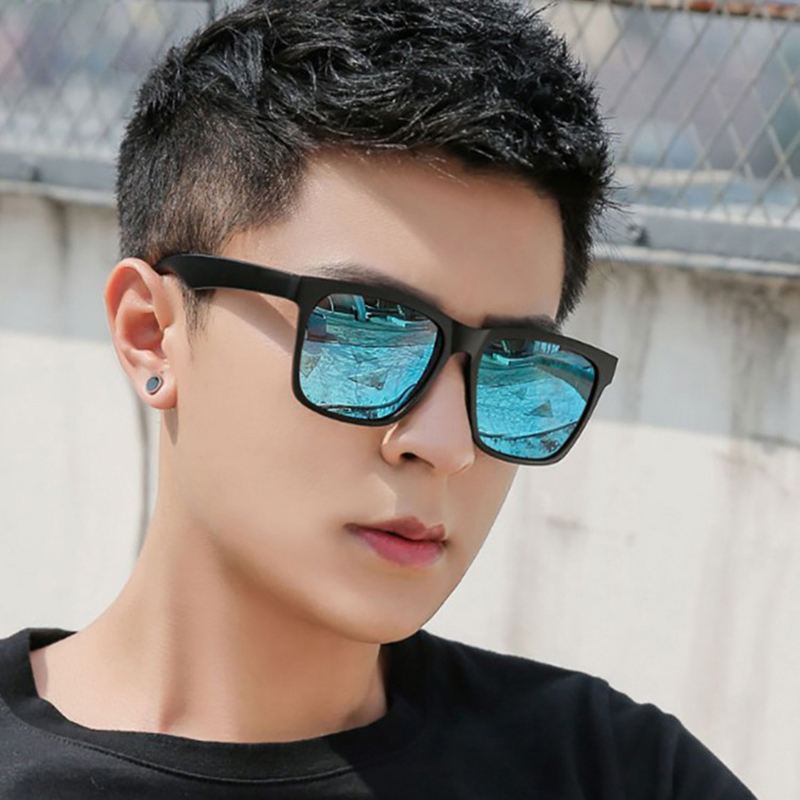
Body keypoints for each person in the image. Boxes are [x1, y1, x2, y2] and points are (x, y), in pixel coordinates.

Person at [0, 0, 757, 797]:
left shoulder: (614, 772)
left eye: (510, 365)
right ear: (152, 333)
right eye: (366, 334)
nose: (448, 444)